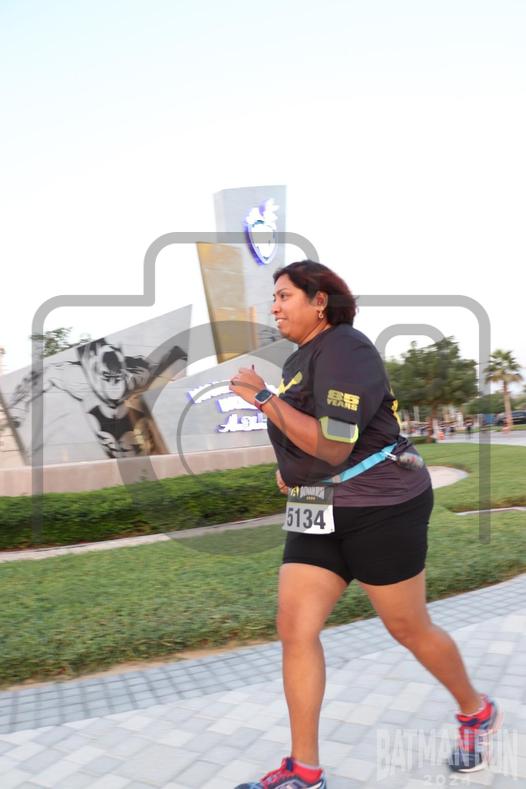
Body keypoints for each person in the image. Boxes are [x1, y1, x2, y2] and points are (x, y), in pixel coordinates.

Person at [229, 261, 501, 788]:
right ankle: (305, 771)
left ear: (320, 301)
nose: (274, 306)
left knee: (408, 628)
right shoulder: (300, 359)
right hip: (317, 506)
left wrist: (264, 399)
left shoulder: (346, 348)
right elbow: (309, 440)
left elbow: (335, 443)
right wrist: (293, 471)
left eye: (284, 296)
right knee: (295, 627)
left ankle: (476, 711)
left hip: (380, 507)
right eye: (274, 297)